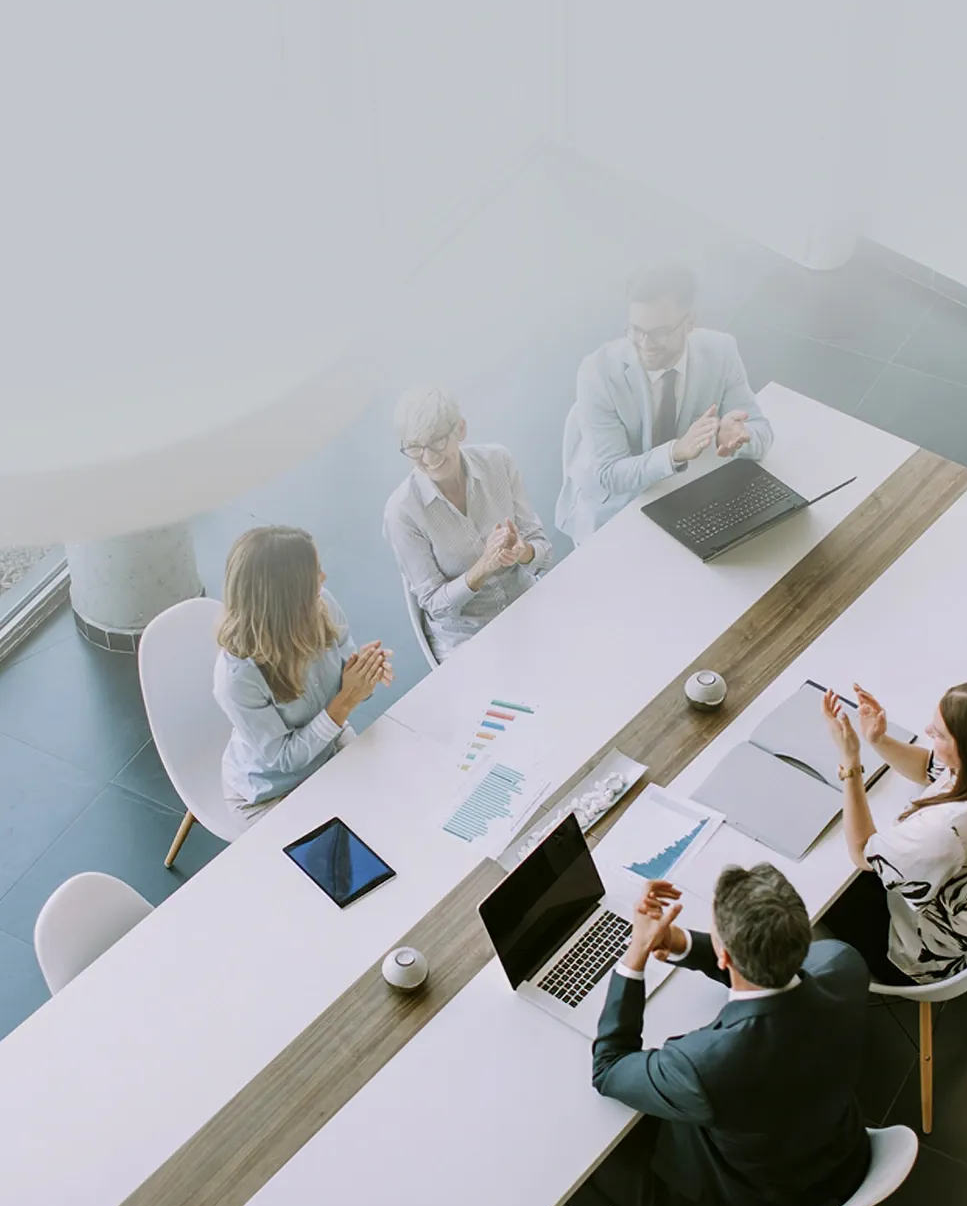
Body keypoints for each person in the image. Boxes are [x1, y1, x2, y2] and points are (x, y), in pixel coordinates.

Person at [571, 864, 870, 1206]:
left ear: (724, 957)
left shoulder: (703, 1065)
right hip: (845, 1162)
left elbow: (609, 1067)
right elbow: (774, 968)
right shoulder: (845, 966)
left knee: (595, 1158)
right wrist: (679, 942)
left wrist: (636, 954)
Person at [820, 681, 967, 985]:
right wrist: (879, 740)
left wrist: (850, 763)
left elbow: (862, 852)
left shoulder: (946, 830)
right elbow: (929, 768)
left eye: (939, 734)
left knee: (819, 897)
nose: (927, 731)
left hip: (929, 952)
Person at [554, 265, 774, 544]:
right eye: (636, 330)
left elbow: (762, 433)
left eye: (660, 333)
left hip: (680, 493)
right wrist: (675, 452)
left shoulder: (721, 352)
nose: (646, 345)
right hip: (613, 506)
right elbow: (610, 474)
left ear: (690, 321)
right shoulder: (597, 372)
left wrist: (739, 438)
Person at [214, 526, 393, 822]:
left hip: (328, 750)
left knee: (396, 803)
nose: (323, 578)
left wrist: (366, 672)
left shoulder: (322, 606)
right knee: (361, 833)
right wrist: (347, 700)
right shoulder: (237, 678)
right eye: (314, 573)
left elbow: (349, 685)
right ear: (287, 595)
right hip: (271, 793)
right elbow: (285, 758)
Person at [382, 387, 552, 662]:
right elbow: (436, 606)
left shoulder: (498, 462)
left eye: (437, 440)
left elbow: (543, 551)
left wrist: (523, 552)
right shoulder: (402, 512)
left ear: (460, 429)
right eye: (415, 447)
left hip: (526, 605)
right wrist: (483, 567)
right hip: (468, 639)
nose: (429, 457)